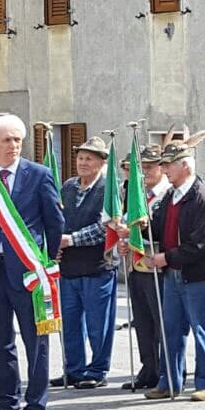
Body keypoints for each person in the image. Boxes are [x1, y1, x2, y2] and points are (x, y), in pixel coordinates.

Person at [0, 115, 65, 410]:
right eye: (6, 140)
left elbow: (54, 222)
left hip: (28, 273)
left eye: (17, 140)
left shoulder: (39, 175)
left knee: (36, 344)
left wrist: (44, 261)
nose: (13, 146)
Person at [145, 136, 205, 402]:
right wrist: (141, 227)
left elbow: (201, 244)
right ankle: (170, 382)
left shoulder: (203, 199)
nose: (165, 170)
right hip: (173, 274)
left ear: (185, 165)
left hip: (197, 275)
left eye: (170, 165)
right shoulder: (170, 197)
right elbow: (158, 227)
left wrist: (167, 258)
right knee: (171, 329)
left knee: (202, 330)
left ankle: (204, 384)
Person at [53, 136, 117, 389]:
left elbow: (107, 227)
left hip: (97, 267)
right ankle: (74, 369)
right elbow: (57, 219)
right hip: (68, 268)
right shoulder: (68, 187)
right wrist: (54, 243)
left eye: (89, 158)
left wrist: (70, 240)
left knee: (97, 324)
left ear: (102, 162)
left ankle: (98, 370)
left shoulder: (109, 190)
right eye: (80, 157)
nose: (82, 162)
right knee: (69, 322)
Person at [119, 145, 170, 391]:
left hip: (158, 266)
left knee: (162, 322)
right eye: (140, 169)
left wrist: (138, 235)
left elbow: (166, 232)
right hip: (137, 265)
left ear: (161, 167)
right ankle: (148, 367)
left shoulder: (167, 194)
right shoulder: (135, 195)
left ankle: (167, 369)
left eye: (149, 167)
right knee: (143, 320)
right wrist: (125, 243)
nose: (144, 173)